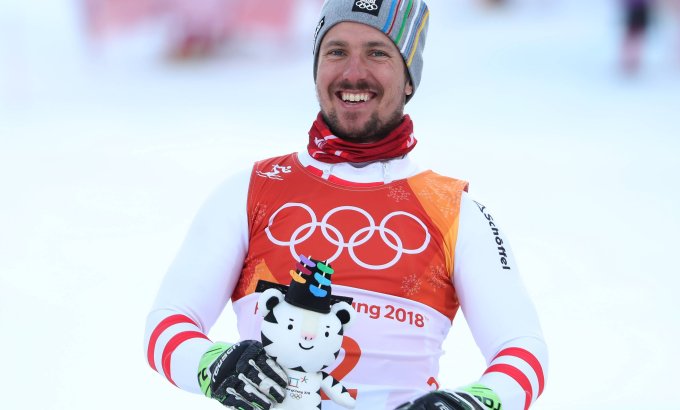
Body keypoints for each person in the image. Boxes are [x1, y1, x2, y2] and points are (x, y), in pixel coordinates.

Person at [144, 0, 548, 409]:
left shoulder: (455, 211)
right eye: (336, 51)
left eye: (377, 52)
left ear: (409, 77)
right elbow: (167, 325)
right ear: (316, 68)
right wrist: (216, 365)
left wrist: (472, 403)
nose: (353, 72)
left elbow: (522, 351)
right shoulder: (253, 189)